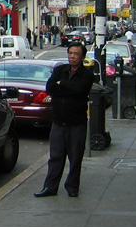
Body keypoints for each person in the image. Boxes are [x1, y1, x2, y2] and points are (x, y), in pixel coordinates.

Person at [35, 42, 94, 198]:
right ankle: (50, 187)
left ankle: (72, 187)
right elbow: (50, 87)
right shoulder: (60, 70)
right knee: (55, 156)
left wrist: (63, 85)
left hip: (76, 122)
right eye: (70, 53)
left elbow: (80, 90)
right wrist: (65, 87)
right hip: (58, 121)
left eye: (76, 54)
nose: (72, 56)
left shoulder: (87, 74)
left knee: (75, 157)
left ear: (82, 57)